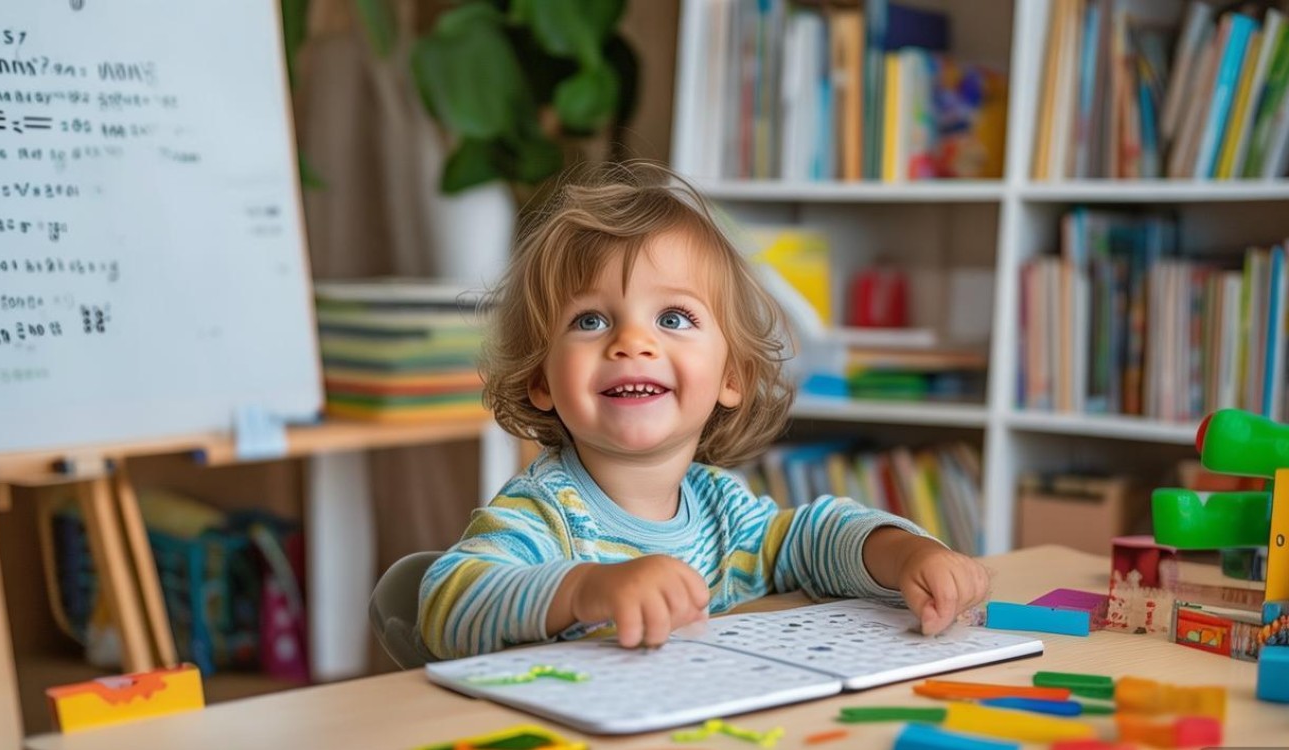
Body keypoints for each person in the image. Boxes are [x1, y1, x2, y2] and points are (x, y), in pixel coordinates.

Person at [418, 162, 989, 660]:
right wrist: (586, 589)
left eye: (673, 319)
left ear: (731, 376)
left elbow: (815, 538)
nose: (632, 343)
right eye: (590, 320)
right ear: (541, 378)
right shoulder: (545, 514)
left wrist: (909, 553)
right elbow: (449, 600)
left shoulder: (726, 514)